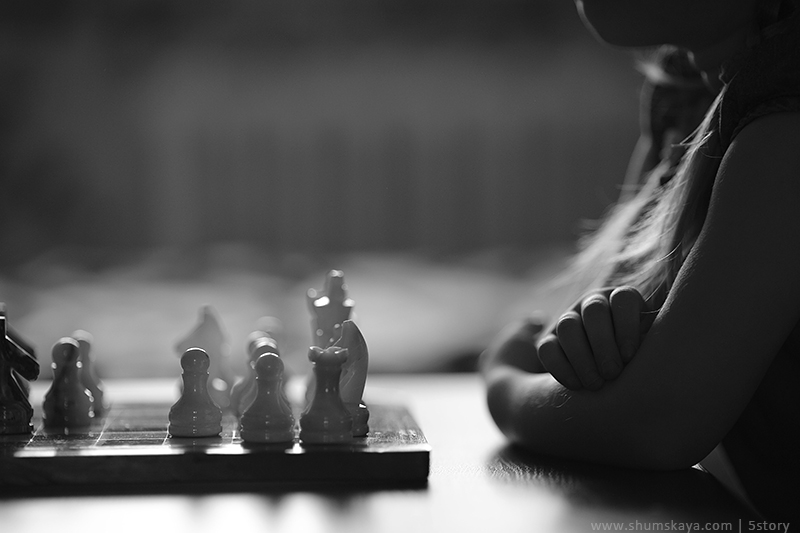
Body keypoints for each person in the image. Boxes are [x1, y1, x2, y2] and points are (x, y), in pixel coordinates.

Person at [480, 0, 800, 526]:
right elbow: (601, 357)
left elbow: (658, 420)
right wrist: (588, 338)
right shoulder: (691, 99)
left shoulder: (785, 131)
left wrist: (504, 384)